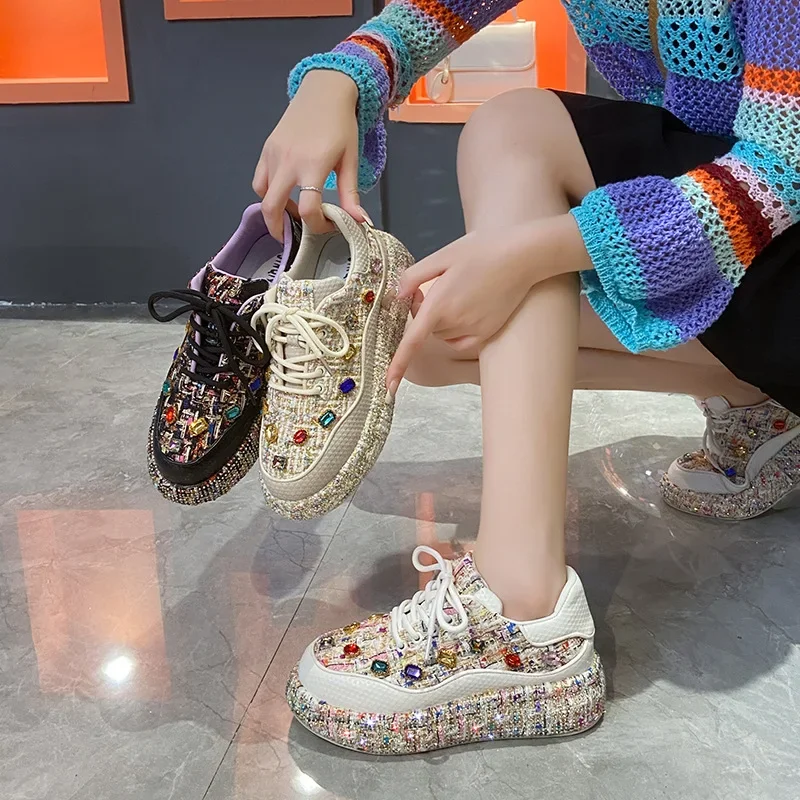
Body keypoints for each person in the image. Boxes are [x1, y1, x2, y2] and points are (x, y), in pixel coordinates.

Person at [253, 0, 800, 753]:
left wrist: (534, 252)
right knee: (434, 331)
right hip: (751, 263)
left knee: (514, 130)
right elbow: (438, 10)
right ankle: (758, 402)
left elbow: (782, 171)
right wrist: (342, 75)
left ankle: (526, 613)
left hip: (775, 210)